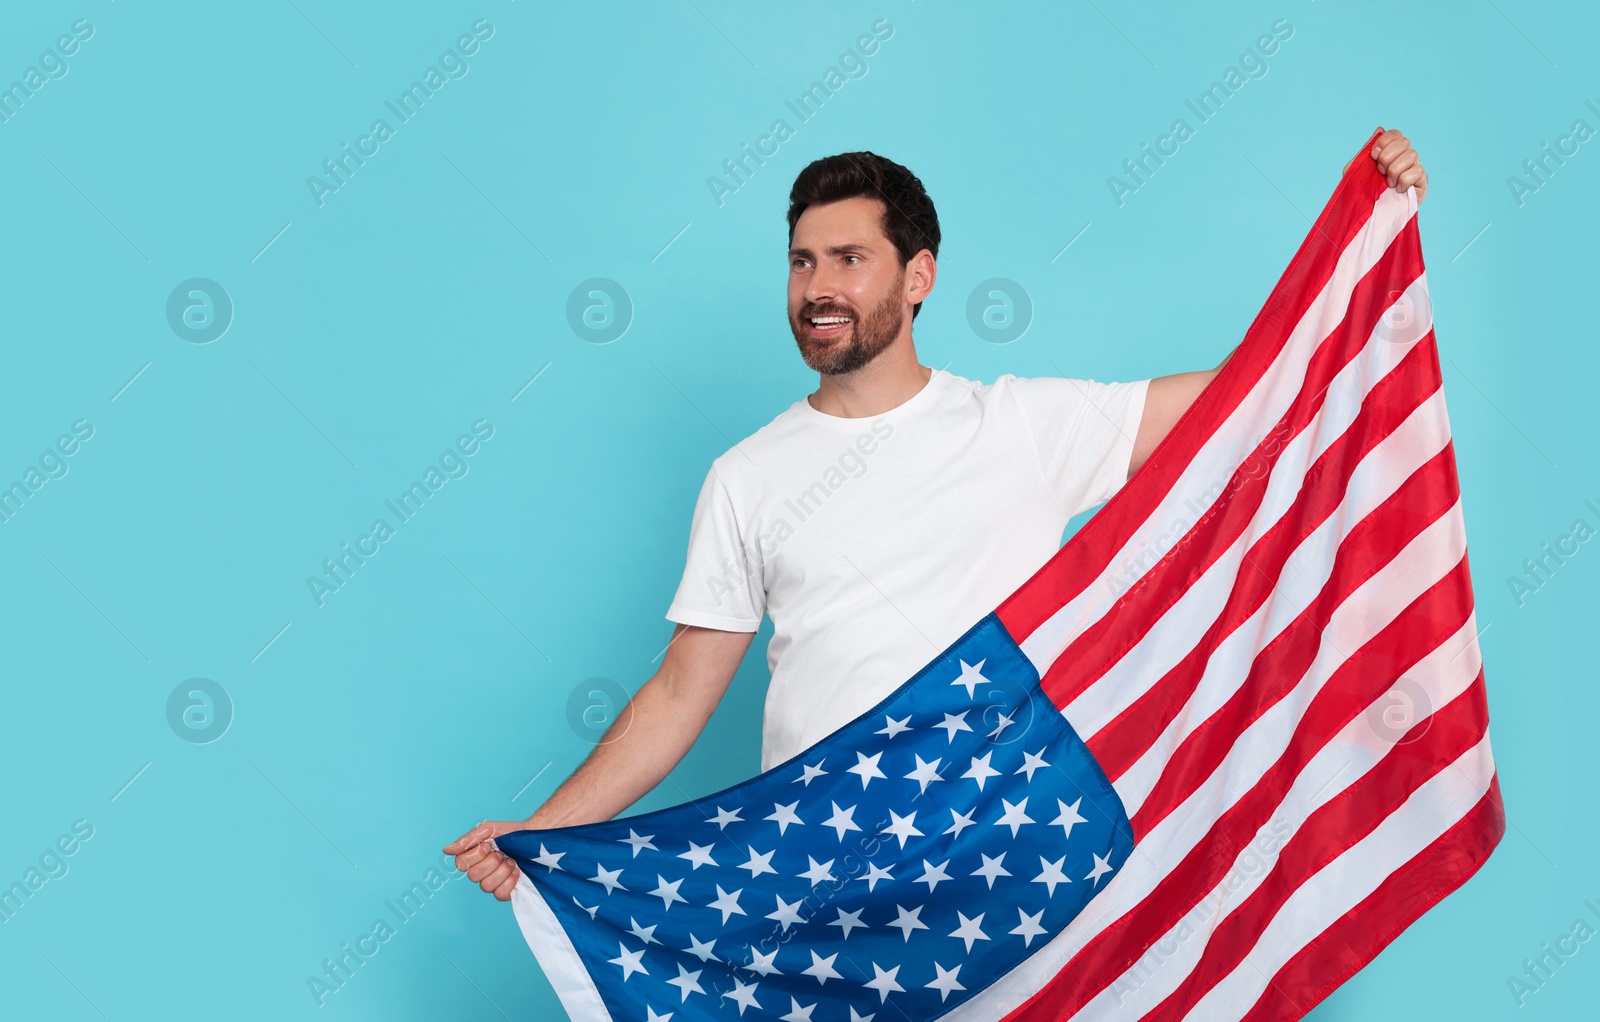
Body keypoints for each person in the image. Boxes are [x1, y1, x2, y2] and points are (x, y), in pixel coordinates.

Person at [445, 128, 1430, 901]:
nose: (818, 289)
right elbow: (676, 696)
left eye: (847, 259)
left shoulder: (1020, 424)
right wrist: (544, 828)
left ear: (918, 276)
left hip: (996, 873)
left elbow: (1251, 395)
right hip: (817, 884)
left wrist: (1369, 240)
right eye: (799, 263)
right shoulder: (744, 475)